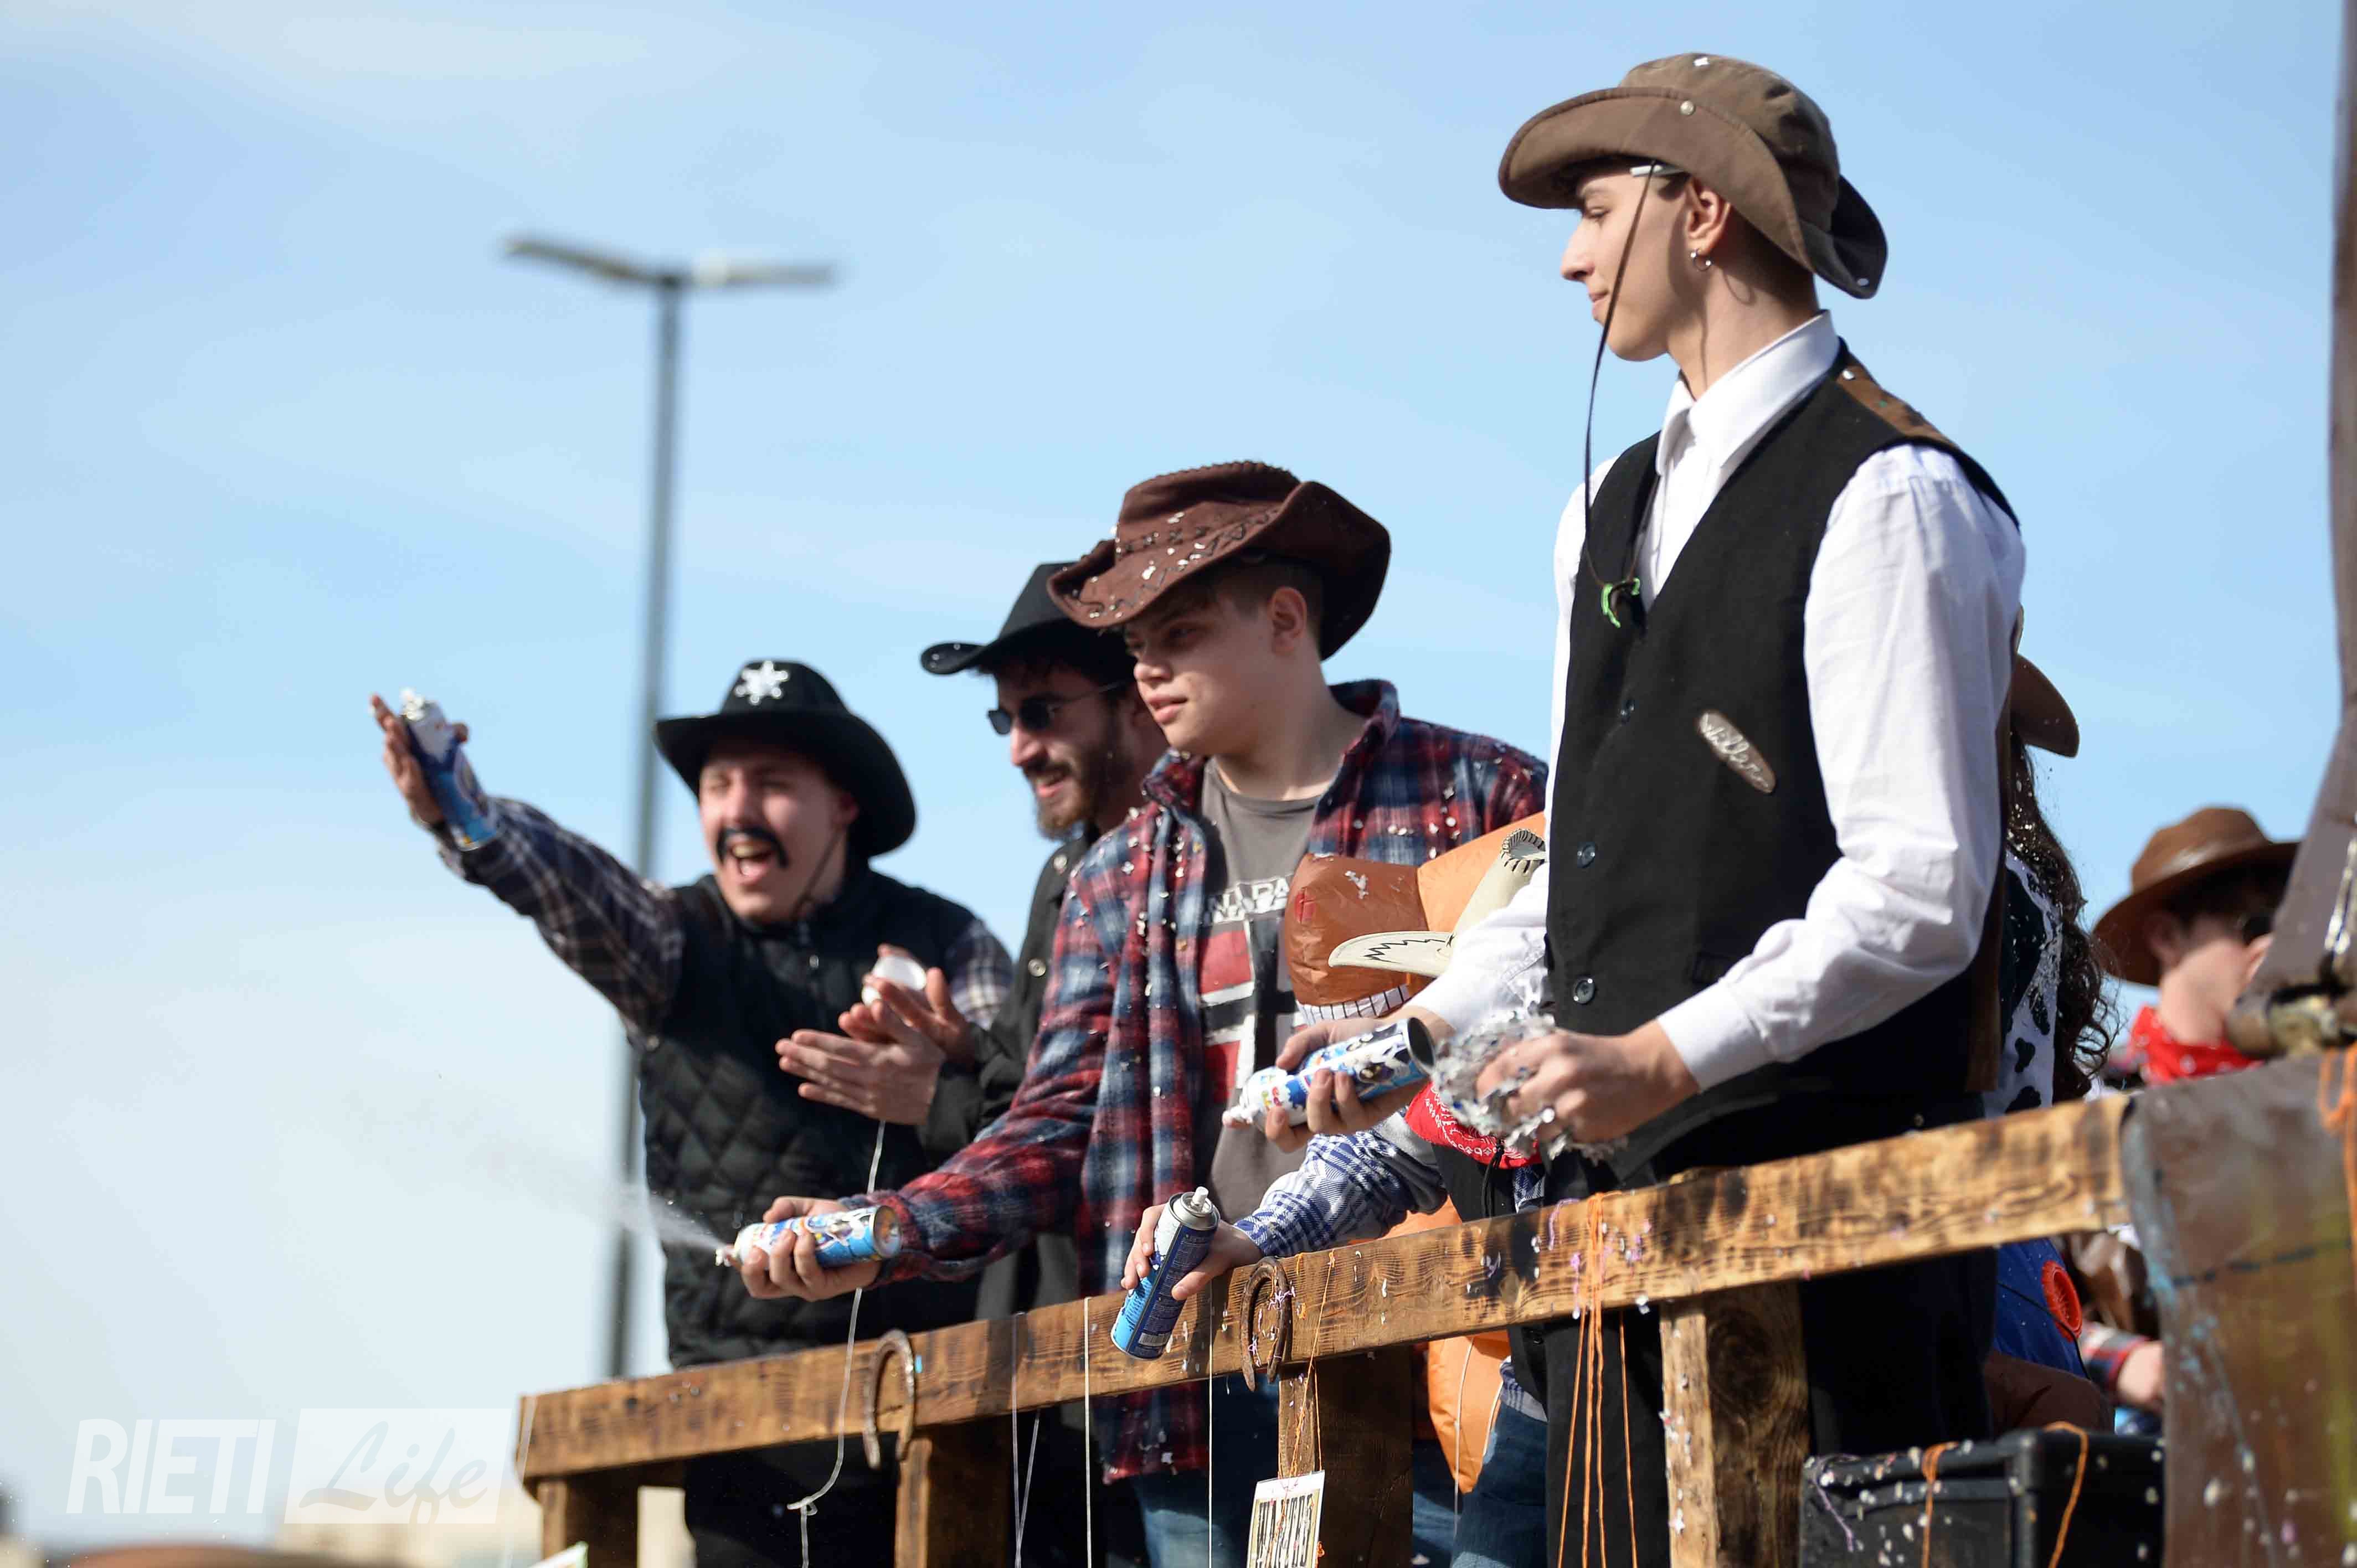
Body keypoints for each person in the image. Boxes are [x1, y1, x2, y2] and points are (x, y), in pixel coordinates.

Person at [1209, 56, 2026, 1565]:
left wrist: (1660, 1055)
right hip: (1609, 1272)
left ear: (1699, 211)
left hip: (1833, 1267)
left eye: (1594, 212)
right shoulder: (1607, 505)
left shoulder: (1893, 492)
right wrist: (1413, 1046)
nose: (1572, 258)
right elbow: (1576, 885)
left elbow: (1919, 891)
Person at [736, 462, 1549, 1568]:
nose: (1148, 669)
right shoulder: (1118, 874)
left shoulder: (1485, 796)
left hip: (1441, 1360)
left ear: (1285, 620)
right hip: (1197, 1379)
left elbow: (1547, 1051)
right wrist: (894, 1225)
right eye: (1132, 643)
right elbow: (1054, 1123)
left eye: (1179, 632)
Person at [368, 661, 1013, 1567]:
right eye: (717, 785)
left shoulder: (948, 943)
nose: (737, 811)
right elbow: (570, 883)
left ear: (844, 805)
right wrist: (466, 815)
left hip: (942, 1409)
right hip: (745, 1428)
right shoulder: (673, 939)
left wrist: (943, 1084)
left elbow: (1031, 1123)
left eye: (772, 783)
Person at [915, 564, 1169, 1566]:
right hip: (1041, 1380)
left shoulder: (1198, 864)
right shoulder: (1063, 877)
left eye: (1042, 711)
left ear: (1135, 694)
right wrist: (954, 1065)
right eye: (1005, 718)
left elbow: (1078, 1118)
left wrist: (937, 1093)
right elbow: (1037, 1098)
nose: (1019, 747)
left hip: (1157, 1373)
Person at [2093, 806, 2296, 1086]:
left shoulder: (2321, 1085)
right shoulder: (2097, 1094)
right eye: (2254, 926)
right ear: (2166, 938)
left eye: (2284, 927)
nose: (2270, 945)